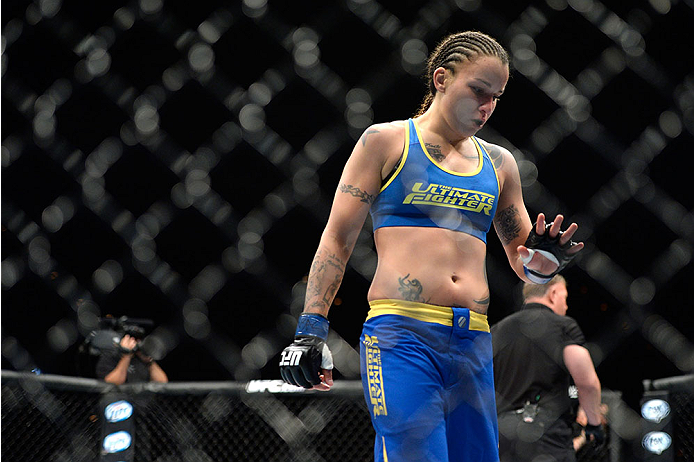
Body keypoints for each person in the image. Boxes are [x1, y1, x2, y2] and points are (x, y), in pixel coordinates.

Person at [279, 30, 583, 462]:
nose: (486, 106)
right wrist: (311, 328)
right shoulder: (387, 141)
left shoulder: (499, 163)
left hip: (473, 340)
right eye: (477, 91)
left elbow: (525, 266)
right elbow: (338, 237)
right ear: (441, 78)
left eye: (495, 96)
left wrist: (547, 263)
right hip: (402, 336)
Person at [492, 275, 604, 462]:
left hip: (504, 436)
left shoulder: (498, 330)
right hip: (547, 434)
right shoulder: (563, 326)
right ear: (553, 294)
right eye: (565, 298)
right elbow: (588, 383)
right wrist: (594, 424)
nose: (566, 306)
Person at [96, 334, 168, 384]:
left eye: (138, 340)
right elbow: (113, 383)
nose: (134, 343)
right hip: (119, 401)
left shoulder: (142, 358)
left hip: (143, 402)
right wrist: (126, 356)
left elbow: (162, 382)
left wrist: (149, 361)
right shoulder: (111, 355)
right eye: (132, 339)